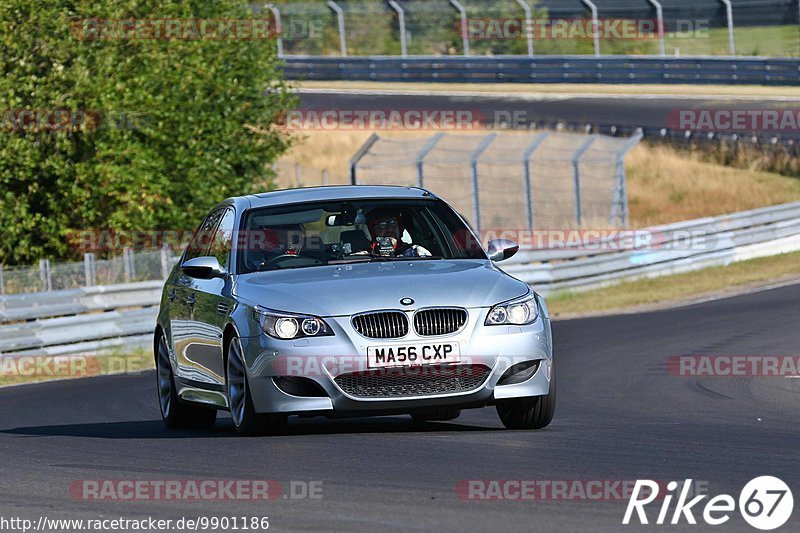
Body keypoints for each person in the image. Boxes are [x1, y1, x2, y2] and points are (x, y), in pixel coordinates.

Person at [365, 208, 432, 258]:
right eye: (382, 225)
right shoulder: (363, 257)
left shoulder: (416, 252)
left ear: (400, 228)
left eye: (393, 223)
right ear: (372, 231)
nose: (390, 228)